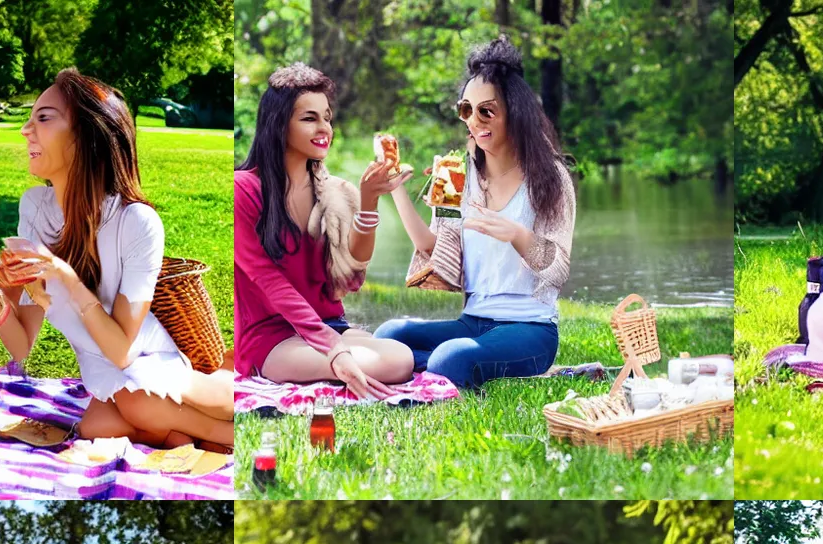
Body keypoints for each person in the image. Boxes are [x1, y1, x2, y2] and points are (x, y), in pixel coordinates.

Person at [0, 70, 236, 449]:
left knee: (140, 405)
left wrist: (68, 279)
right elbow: (23, 344)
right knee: (96, 429)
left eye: (43, 117)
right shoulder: (35, 209)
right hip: (101, 368)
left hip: (143, 354)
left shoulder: (136, 221)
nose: (26, 129)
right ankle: (184, 431)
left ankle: (227, 407)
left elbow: (124, 350)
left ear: (86, 135)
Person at [373, 37, 576, 389]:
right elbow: (432, 246)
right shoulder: (457, 175)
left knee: (451, 357)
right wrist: (397, 190)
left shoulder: (549, 177)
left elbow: (558, 269)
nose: (474, 121)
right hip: (472, 321)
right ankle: (427, 367)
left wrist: (517, 235)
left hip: (530, 329)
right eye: (466, 109)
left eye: (487, 110)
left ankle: (428, 369)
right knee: (388, 334)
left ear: (514, 111)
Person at [232, 63, 415, 399]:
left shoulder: (332, 192)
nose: (324, 128)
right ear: (278, 124)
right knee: (391, 362)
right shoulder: (243, 189)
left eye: (327, 117)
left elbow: (351, 276)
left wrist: (369, 199)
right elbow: (267, 280)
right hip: (272, 339)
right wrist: (336, 352)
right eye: (309, 118)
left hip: (330, 326)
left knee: (401, 355)